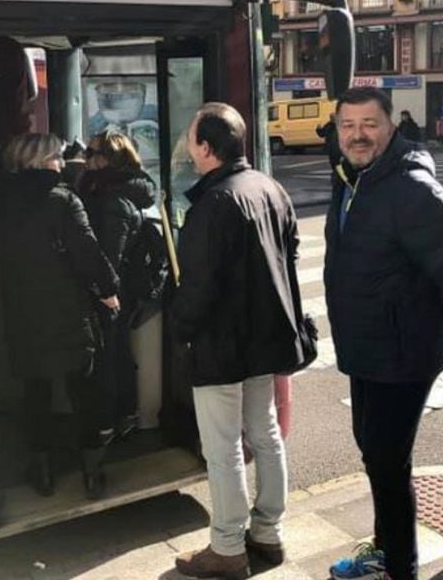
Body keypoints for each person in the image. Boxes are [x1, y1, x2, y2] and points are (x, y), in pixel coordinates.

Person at [324, 87, 443, 580]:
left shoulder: (411, 189)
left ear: (391, 125)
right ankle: (386, 551)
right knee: (374, 453)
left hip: (402, 352)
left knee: (388, 462)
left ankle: (400, 568)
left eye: (369, 124)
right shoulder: (354, 179)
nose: (358, 135)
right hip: (364, 347)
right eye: (348, 125)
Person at [171, 102, 305, 580]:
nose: (189, 145)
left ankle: (227, 546)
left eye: (192, 138)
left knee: (223, 445)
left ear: (206, 148)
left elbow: (197, 288)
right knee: (265, 435)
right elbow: (289, 261)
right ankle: (268, 533)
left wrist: (180, 332)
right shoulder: (270, 188)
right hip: (265, 340)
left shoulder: (213, 204)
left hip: (221, 344)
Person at [0, 133, 120, 500]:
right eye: (57, 158)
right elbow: (86, 250)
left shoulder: (0, 204)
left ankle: (42, 470)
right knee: (83, 391)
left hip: (22, 311)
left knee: (36, 393)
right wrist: (109, 290)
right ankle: (92, 471)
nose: (62, 164)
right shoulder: (63, 200)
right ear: (42, 161)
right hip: (68, 310)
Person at [80, 130, 158, 439]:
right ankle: (124, 412)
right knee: (117, 351)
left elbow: (109, 254)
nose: (86, 158)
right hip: (123, 286)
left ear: (107, 160)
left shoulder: (111, 199)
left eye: (91, 153)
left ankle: (113, 419)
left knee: (108, 355)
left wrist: (103, 291)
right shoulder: (124, 189)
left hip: (114, 290)